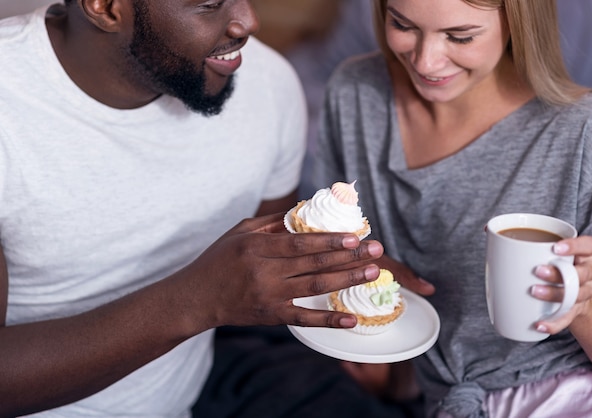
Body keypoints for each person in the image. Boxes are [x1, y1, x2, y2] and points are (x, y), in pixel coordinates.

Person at [0, 1, 388, 417]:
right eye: (209, 4)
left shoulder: (268, 83)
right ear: (105, 7)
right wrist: (196, 301)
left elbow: (263, 271)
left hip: (198, 386)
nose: (249, 22)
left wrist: (353, 280)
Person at [312, 0, 592, 416]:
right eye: (402, 24)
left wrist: (581, 304)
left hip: (574, 396)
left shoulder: (586, 132)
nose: (426, 60)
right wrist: (397, 373)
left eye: (460, 36)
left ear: (518, 22)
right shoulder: (354, 95)